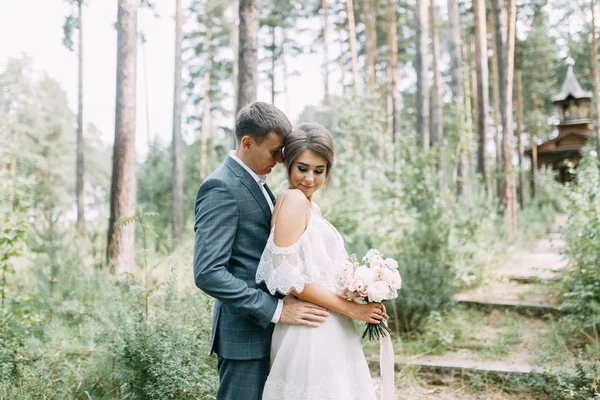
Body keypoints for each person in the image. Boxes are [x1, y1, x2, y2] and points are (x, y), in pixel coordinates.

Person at [193, 102, 330, 400]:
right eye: (274, 151)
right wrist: (276, 310)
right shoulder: (221, 187)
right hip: (245, 339)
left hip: (276, 336)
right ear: (246, 143)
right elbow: (207, 274)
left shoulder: (262, 185)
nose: (281, 159)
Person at [256, 122, 387, 399]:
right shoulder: (293, 200)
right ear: (288, 163)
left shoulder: (309, 205)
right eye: (302, 168)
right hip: (311, 331)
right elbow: (289, 279)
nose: (310, 179)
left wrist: (360, 291)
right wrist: (352, 310)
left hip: (329, 324)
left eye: (319, 170)